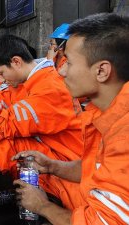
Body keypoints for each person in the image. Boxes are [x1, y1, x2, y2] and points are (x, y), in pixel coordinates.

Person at [13, 13, 129, 225]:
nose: (61, 71)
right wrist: (53, 166)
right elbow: (94, 168)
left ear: (102, 71)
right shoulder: (104, 114)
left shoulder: (124, 136)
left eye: (70, 62)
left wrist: (43, 207)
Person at [0, 35, 83, 181]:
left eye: (1, 73)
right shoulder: (25, 82)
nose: (1, 80)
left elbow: (6, 125)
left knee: (4, 145)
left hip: (66, 161)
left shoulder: (49, 87)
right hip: (49, 150)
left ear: (16, 62)